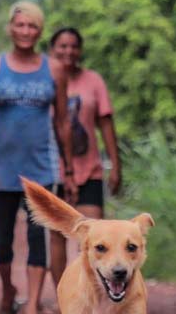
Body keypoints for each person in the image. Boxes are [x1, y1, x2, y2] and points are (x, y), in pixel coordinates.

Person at [0, 1, 76, 314]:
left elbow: (62, 122)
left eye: (32, 26)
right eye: (20, 25)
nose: (26, 32)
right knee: (2, 241)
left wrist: (68, 166)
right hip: (3, 167)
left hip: (42, 167)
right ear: (10, 29)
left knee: (38, 236)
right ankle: (6, 292)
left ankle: (31, 308)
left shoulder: (54, 69)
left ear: (40, 31)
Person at [46, 27, 121, 287]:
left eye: (73, 46)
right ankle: (62, 297)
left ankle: (92, 294)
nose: (68, 51)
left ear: (80, 50)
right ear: (51, 49)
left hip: (89, 170)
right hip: (53, 169)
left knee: (94, 236)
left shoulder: (93, 81)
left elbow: (106, 124)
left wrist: (116, 164)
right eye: (62, 46)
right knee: (57, 236)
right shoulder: (45, 79)